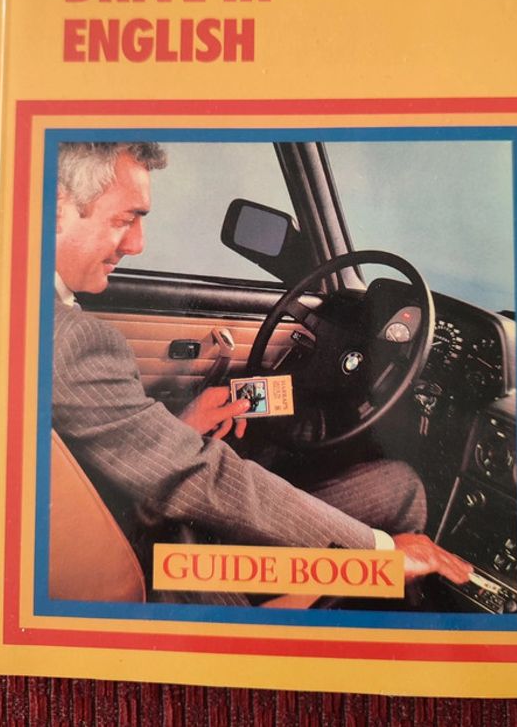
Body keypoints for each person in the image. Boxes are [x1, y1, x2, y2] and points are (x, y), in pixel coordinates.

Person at [52, 141, 471, 602]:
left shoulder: (41, 319)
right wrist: (380, 555)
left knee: (398, 485)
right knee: (405, 497)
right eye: (124, 220)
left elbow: (124, 460)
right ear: (57, 209)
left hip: (145, 538)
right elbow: (201, 478)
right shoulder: (70, 338)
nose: (137, 244)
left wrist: (180, 430)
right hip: (175, 573)